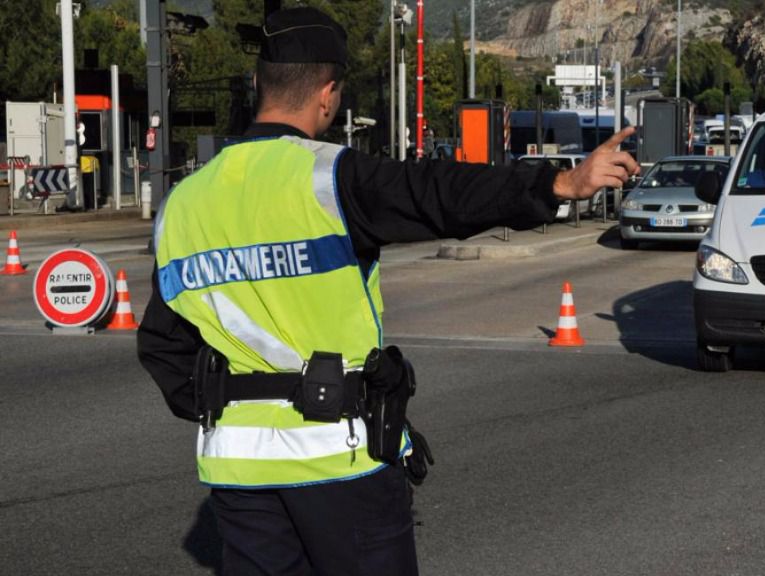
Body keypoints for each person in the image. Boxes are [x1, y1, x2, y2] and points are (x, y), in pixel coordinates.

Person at [135, 7, 639, 576]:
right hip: (341, 462)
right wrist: (560, 183)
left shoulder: (184, 203)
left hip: (238, 472)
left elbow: (162, 346)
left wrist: (230, 408)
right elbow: (439, 194)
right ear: (327, 95)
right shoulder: (331, 178)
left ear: (258, 85)